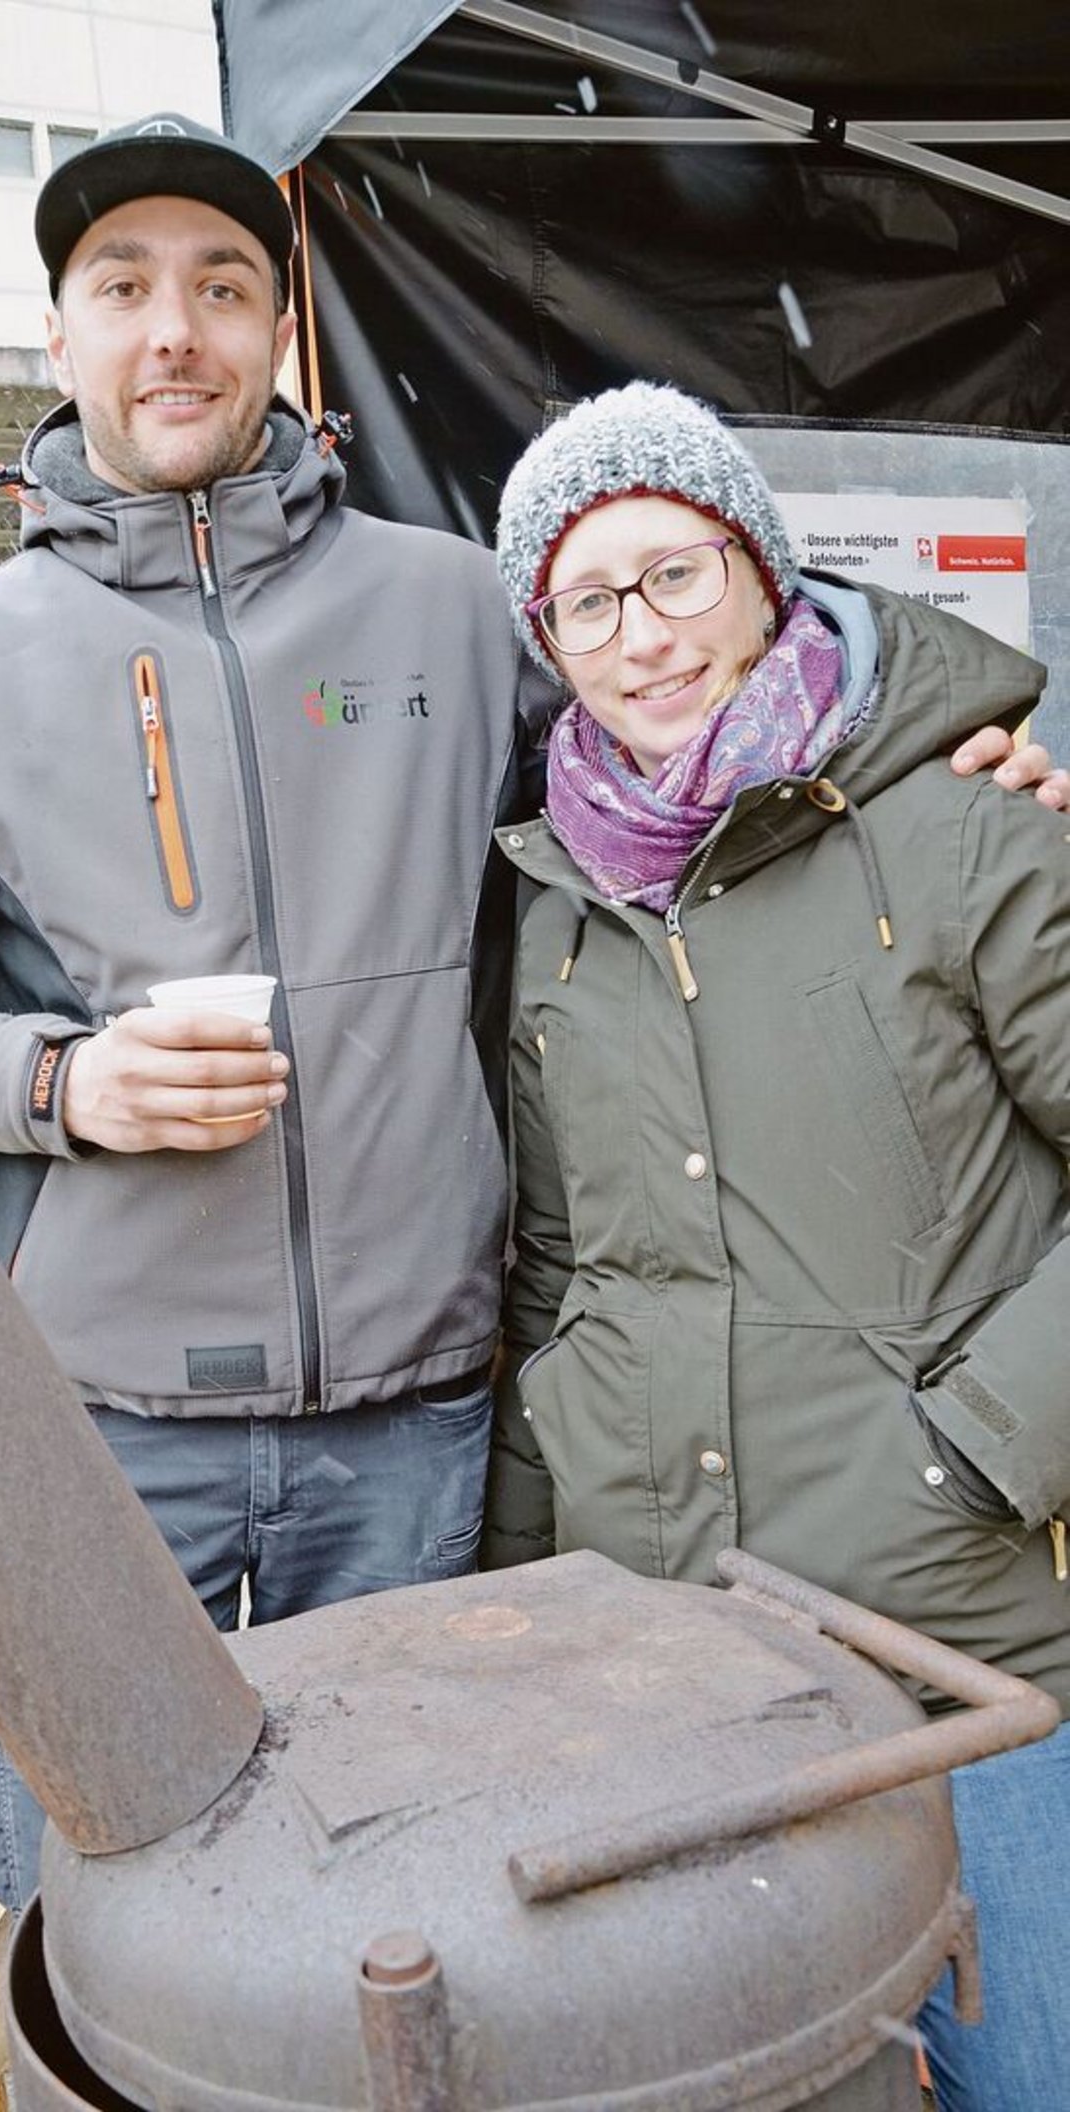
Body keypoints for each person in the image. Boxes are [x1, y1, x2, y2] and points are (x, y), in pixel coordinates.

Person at [0, 116, 1062, 1916]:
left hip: (416, 1431)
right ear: (59, 338)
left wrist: (955, 756)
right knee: (95, 1909)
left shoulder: (452, 606)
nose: (176, 329)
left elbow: (713, 740)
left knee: (418, 1905)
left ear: (283, 336)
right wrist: (60, 1079)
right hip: (100, 1421)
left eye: (224, 286)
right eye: (123, 287)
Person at [486, 380, 1070, 2109]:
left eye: (672, 574)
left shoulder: (964, 831)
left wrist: (978, 1449)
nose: (639, 638)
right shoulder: (552, 905)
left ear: (756, 564)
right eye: (585, 602)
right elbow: (556, 1270)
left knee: (1017, 2068)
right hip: (664, 1660)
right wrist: (530, 1588)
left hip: (949, 1642)